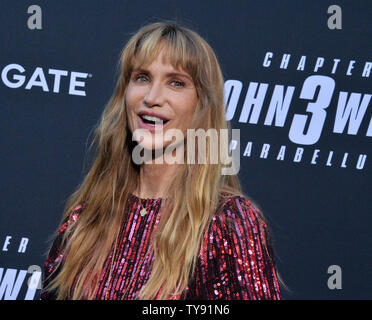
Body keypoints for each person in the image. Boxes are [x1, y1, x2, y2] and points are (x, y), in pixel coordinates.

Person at [41, 21, 282, 300]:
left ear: (202, 105)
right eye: (142, 78)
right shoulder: (84, 219)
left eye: (176, 83)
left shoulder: (227, 222)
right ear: (124, 95)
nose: (152, 98)